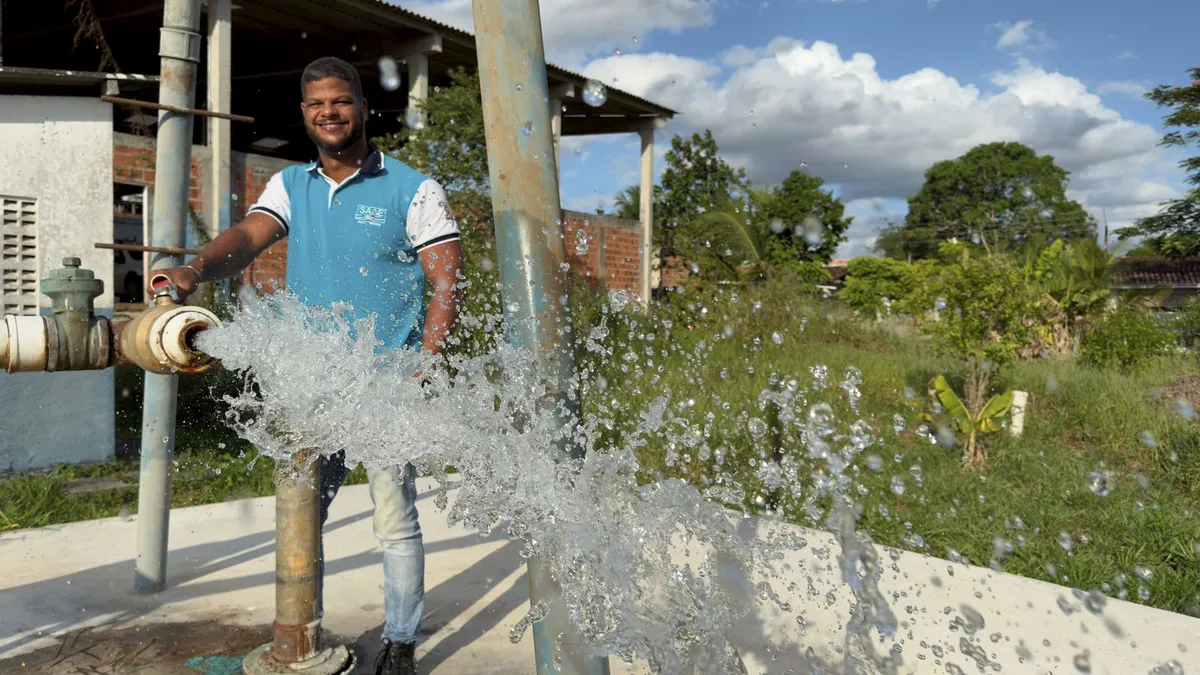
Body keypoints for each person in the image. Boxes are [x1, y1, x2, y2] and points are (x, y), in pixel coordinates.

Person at [153, 56, 464, 675]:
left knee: (393, 516)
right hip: (311, 380)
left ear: (362, 107)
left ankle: (400, 642)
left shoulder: (414, 188)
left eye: (341, 101)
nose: (329, 112)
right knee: (301, 510)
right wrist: (193, 269)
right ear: (305, 113)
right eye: (317, 103)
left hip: (383, 382)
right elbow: (247, 236)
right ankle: (300, 632)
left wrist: (426, 364)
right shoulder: (291, 185)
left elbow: (447, 284)